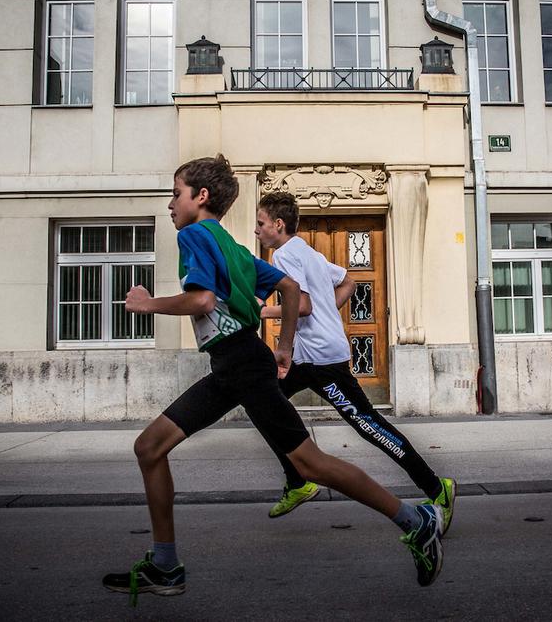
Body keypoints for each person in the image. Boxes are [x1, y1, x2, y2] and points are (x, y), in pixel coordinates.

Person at [102, 155, 445, 605]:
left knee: (311, 465)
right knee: (149, 447)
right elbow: (288, 289)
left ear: (200, 197)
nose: (170, 204)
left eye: (175, 193)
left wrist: (148, 304)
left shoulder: (195, 235)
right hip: (233, 367)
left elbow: (202, 299)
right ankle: (165, 566)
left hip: (242, 366)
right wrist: (282, 348)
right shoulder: (235, 249)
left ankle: (416, 522)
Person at [254, 192, 456, 533]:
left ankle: (437, 489)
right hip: (311, 356)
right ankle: (297, 480)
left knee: (369, 425)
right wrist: (327, 312)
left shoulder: (287, 255)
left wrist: (269, 319)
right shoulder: (308, 252)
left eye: (260, 224)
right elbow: (347, 280)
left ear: (278, 224)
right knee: (264, 404)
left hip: (321, 360)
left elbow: (300, 306)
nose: (257, 230)